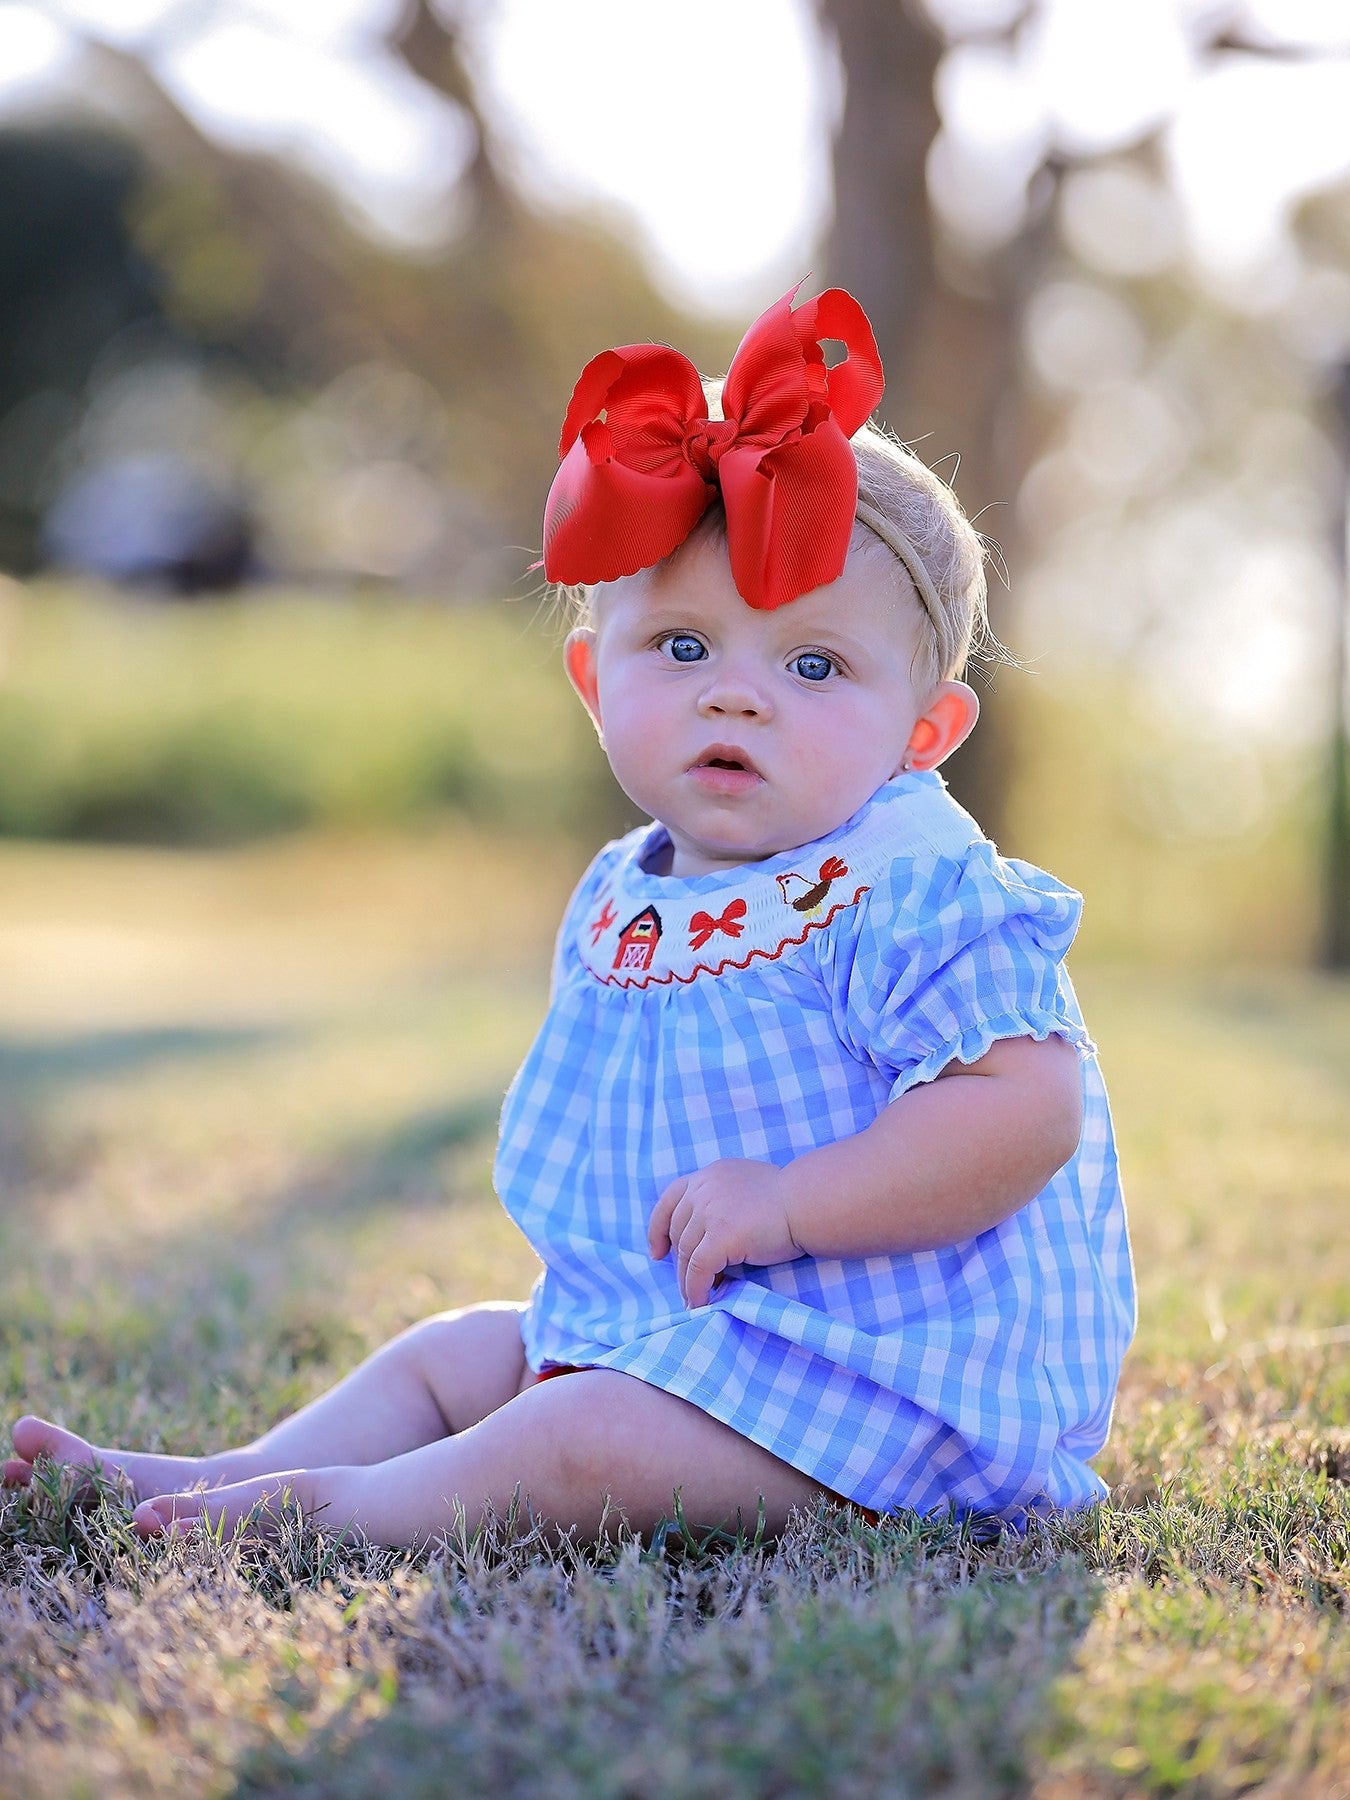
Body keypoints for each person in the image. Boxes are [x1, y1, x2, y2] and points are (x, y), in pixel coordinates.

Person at [4, 287, 1134, 1547]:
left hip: (883, 1387)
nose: (738, 697)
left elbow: (1025, 1110)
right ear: (596, 681)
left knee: (575, 1436)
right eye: (684, 647)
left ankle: (329, 1514)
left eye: (813, 664)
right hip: (681, 1343)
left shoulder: (912, 885)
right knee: (454, 1356)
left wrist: (792, 1203)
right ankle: (229, 1469)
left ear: (924, 733)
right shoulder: (621, 892)